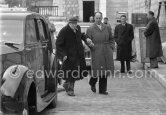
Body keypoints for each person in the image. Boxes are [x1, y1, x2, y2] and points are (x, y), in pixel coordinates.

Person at [56, 16, 88, 96]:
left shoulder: (78, 28)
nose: (74, 25)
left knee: (76, 72)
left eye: (75, 23)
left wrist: (86, 39)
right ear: (69, 23)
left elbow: (81, 35)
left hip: (78, 54)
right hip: (69, 56)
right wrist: (63, 55)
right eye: (72, 24)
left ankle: (66, 84)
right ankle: (70, 89)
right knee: (71, 72)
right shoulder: (64, 31)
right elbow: (58, 44)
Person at [86, 12, 114, 95]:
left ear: (101, 18)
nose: (98, 20)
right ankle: (92, 82)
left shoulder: (107, 27)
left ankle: (102, 90)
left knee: (104, 71)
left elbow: (111, 38)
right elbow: (87, 40)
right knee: (97, 70)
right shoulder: (90, 28)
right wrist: (92, 47)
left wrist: (111, 46)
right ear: (94, 18)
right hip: (96, 51)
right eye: (96, 18)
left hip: (106, 50)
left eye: (99, 18)